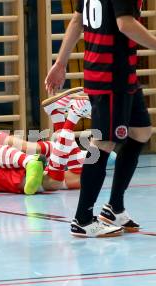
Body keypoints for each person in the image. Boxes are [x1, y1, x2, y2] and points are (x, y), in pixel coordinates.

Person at [45, 0, 153, 237]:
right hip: (110, 76)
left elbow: (76, 20)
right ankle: (82, 219)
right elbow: (125, 24)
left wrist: (61, 63)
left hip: (122, 74)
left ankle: (114, 207)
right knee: (102, 144)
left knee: (141, 132)